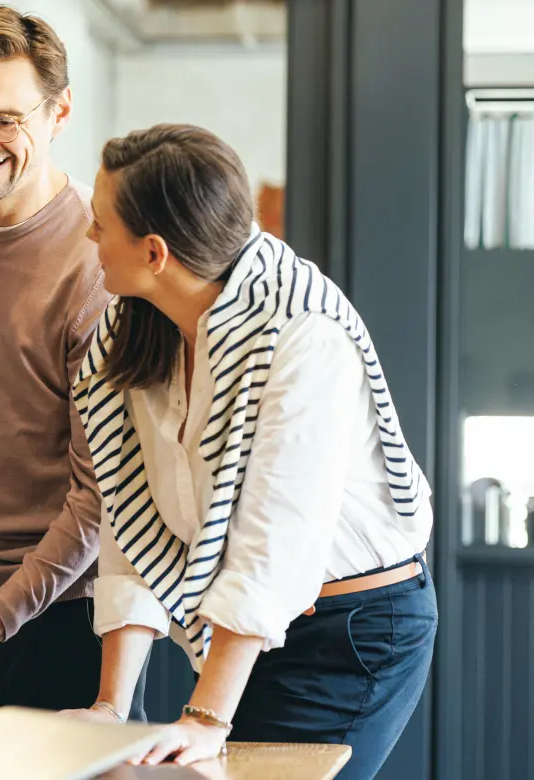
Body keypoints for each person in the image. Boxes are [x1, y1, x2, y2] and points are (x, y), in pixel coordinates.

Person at [65, 124, 436, 779]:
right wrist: (109, 706)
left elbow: (275, 546)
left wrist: (206, 718)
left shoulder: (303, 334)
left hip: (351, 634)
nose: (88, 239)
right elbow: (130, 514)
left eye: (100, 225)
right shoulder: (137, 325)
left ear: (154, 252)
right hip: (249, 635)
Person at [0, 6, 147, 729]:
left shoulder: (97, 259)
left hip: (63, 616)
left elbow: (100, 490)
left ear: (60, 112)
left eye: (3, 119)